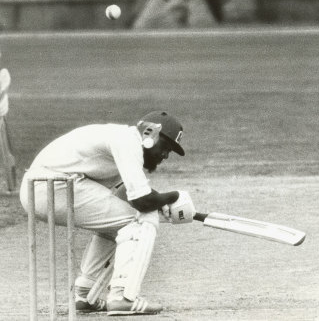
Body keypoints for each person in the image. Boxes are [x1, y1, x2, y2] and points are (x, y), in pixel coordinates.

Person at [20, 110, 194, 315]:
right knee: (140, 220)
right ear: (150, 135)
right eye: (165, 147)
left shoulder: (124, 141)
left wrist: (163, 202)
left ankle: (85, 293)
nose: (165, 155)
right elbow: (141, 202)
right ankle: (123, 297)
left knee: (116, 221)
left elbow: (125, 192)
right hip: (52, 186)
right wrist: (173, 197)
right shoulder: (128, 143)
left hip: (44, 187)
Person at [0, 67, 17, 192]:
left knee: (6, 153)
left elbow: (2, 92)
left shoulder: (3, 73)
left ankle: (11, 186)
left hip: (0, 118)